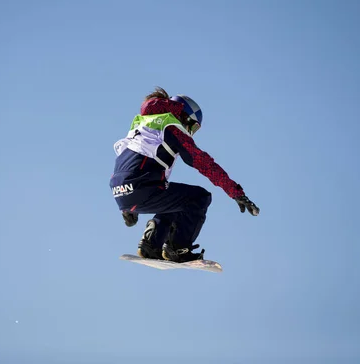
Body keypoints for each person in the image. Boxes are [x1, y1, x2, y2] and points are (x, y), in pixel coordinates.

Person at [109, 87, 260, 263]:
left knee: (175, 197)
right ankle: (178, 249)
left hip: (120, 191)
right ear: (186, 117)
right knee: (199, 197)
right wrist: (236, 192)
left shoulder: (143, 125)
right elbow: (203, 163)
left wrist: (127, 208)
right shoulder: (172, 128)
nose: (190, 132)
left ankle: (152, 243)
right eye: (193, 127)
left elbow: (127, 166)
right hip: (141, 189)